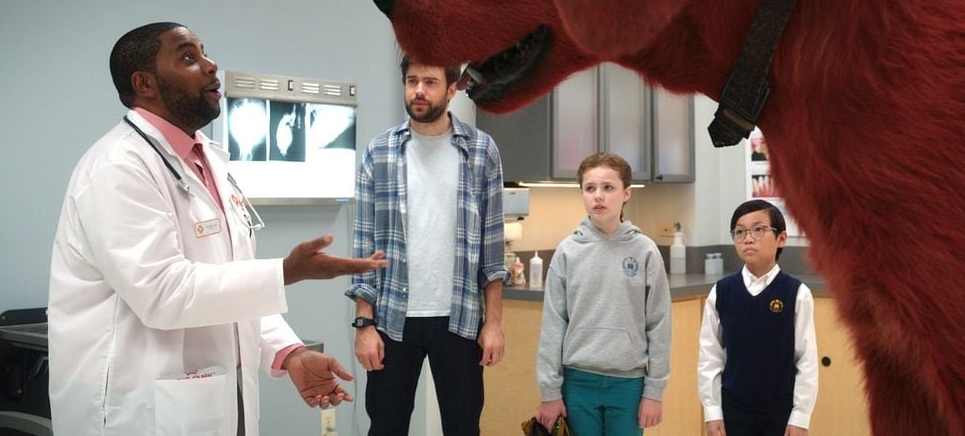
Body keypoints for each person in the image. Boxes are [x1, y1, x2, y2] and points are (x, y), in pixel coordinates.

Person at [48, 22, 388, 436]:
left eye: (205, 53)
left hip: (212, 402)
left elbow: (230, 279)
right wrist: (286, 272)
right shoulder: (119, 167)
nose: (211, 66)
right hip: (135, 409)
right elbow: (162, 292)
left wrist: (290, 352)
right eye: (189, 57)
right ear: (145, 83)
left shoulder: (206, 159)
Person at [347, 57, 507, 436]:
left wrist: (495, 322)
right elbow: (363, 249)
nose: (419, 90)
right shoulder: (379, 152)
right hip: (391, 320)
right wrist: (364, 325)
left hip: (461, 318)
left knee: (463, 427)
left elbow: (493, 247)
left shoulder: (481, 150)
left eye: (430, 82)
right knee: (385, 427)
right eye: (412, 80)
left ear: (452, 89)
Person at [536, 152, 672, 435]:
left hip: (629, 384)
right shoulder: (567, 252)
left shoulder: (645, 251)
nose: (598, 196)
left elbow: (659, 325)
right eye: (590, 188)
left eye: (608, 188)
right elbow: (553, 324)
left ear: (626, 193)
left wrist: (654, 391)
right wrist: (550, 391)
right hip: (577, 383)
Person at [697, 200, 818, 436]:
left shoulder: (797, 293)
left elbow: (806, 360)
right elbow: (710, 357)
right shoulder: (721, 292)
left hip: (780, 413)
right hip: (733, 411)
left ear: (781, 239)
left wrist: (801, 416)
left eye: (758, 229)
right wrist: (712, 411)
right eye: (740, 232)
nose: (748, 238)